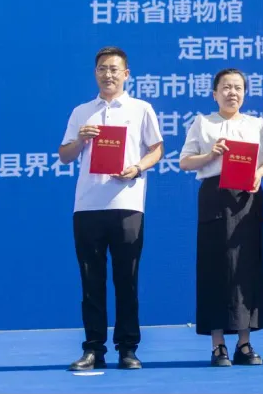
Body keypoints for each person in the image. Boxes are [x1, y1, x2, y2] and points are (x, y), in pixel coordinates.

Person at [59, 46, 164, 371]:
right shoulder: (82, 112)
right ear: (95, 73)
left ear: (126, 74)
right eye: (103, 68)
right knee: (91, 281)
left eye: (114, 69)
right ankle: (93, 349)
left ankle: (127, 348)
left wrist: (136, 168)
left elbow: (156, 149)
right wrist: (80, 140)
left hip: (127, 204)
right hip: (88, 206)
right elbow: (65, 155)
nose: (108, 74)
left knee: (126, 279)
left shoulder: (140, 109)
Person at [179, 68, 263, 367]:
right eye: (226, 87)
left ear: (245, 93)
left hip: (247, 197)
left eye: (237, 88)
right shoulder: (203, 123)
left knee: (246, 269)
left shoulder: (257, 124)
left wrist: (259, 173)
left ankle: (244, 343)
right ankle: (218, 344)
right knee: (215, 269)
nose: (232, 93)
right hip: (215, 197)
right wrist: (210, 155)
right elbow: (185, 162)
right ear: (215, 93)